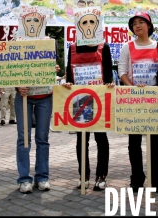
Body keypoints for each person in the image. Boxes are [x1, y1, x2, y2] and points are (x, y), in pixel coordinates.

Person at [118, 12, 158, 192]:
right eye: (134, 23)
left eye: (141, 22)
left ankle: (157, 180)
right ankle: (136, 179)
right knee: (134, 143)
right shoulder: (127, 47)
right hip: (135, 101)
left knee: (154, 142)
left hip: (155, 102)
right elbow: (122, 71)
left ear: (149, 26)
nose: (137, 26)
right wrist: (133, 88)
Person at [62, 38, 114, 190]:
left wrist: (109, 83)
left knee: (101, 138)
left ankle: (101, 175)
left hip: (99, 98)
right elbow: (70, 77)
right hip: (80, 98)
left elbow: (109, 73)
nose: (88, 27)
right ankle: (83, 174)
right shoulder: (72, 48)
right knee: (81, 139)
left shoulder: (103, 47)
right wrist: (68, 84)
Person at [14, 38, 57, 194]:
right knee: (23, 137)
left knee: (42, 138)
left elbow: (52, 66)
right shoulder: (18, 41)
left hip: (45, 96)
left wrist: (54, 71)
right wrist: (17, 85)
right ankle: (24, 178)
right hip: (23, 96)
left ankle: (42, 177)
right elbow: (9, 68)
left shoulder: (49, 41)